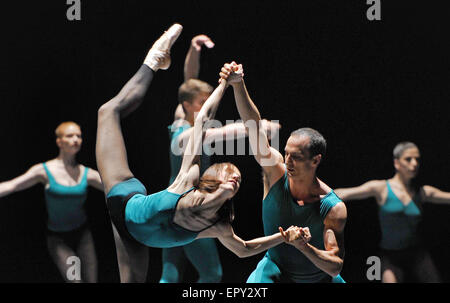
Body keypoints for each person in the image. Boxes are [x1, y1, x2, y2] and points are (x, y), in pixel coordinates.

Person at [95, 23, 298, 283]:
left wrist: (282, 237)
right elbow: (204, 120)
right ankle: (153, 61)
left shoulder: (218, 225)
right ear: (212, 177)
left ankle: (161, 61)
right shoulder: (187, 179)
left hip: (133, 236)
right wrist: (225, 85)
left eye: (236, 175)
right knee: (107, 111)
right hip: (123, 197)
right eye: (229, 173)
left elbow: (244, 249)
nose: (236, 176)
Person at [162, 34, 281, 283]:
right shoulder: (184, 134)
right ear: (186, 106)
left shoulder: (180, 117)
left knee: (170, 274)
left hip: (169, 209)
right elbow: (223, 132)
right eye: (202, 102)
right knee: (211, 273)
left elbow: (189, 83)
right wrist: (262, 128)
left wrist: (194, 50)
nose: (210, 106)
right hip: (191, 210)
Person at [219, 62, 347, 283]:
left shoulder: (332, 207)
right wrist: (239, 84)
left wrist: (303, 247)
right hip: (275, 270)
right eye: (286, 153)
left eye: (295, 157)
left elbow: (335, 267)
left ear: (316, 160)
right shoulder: (275, 171)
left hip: (318, 280)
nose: (287, 161)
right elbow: (254, 128)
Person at [0, 121, 104, 282]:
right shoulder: (44, 170)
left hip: (83, 235)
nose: (75, 139)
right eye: (70, 136)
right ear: (59, 141)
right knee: (75, 280)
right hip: (59, 239)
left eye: (79, 136)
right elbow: (13, 185)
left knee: (92, 281)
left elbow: (114, 188)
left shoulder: (86, 173)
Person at [334, 142, 448, 282]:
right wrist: (308, 195)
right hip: (390, 256)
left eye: (417, 159)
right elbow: (342, 193)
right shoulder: (381, 188)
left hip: (416, 254)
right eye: (408, 159)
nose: (415, 163)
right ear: (396, 163)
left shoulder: (423, 192)